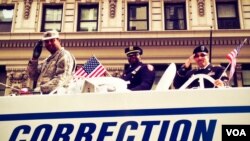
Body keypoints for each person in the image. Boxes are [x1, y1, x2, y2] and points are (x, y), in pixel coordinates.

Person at [27, 30, 76, 94]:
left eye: (52, 40)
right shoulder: (47, 60)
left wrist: (40, 89)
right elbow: (33, 76)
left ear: (59, 41)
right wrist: (34, 59)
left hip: (57, 97)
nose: (49, 43)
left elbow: (61, 79)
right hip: (44, 97)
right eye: (46, 42)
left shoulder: (64, 55)